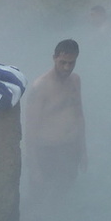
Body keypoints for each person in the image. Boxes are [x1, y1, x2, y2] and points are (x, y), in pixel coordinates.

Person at [25, 39, 87, 199]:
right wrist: (34, 168)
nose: (67, 67)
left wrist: (83, 151)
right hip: (47, 152)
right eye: (62, 62)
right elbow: (30, 129)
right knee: (38, 199)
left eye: (71, 63)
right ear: (54, 58)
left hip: (70, 149)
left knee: (63, 194)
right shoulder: (41, 87)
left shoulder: (75, 81)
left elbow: (79, 116)